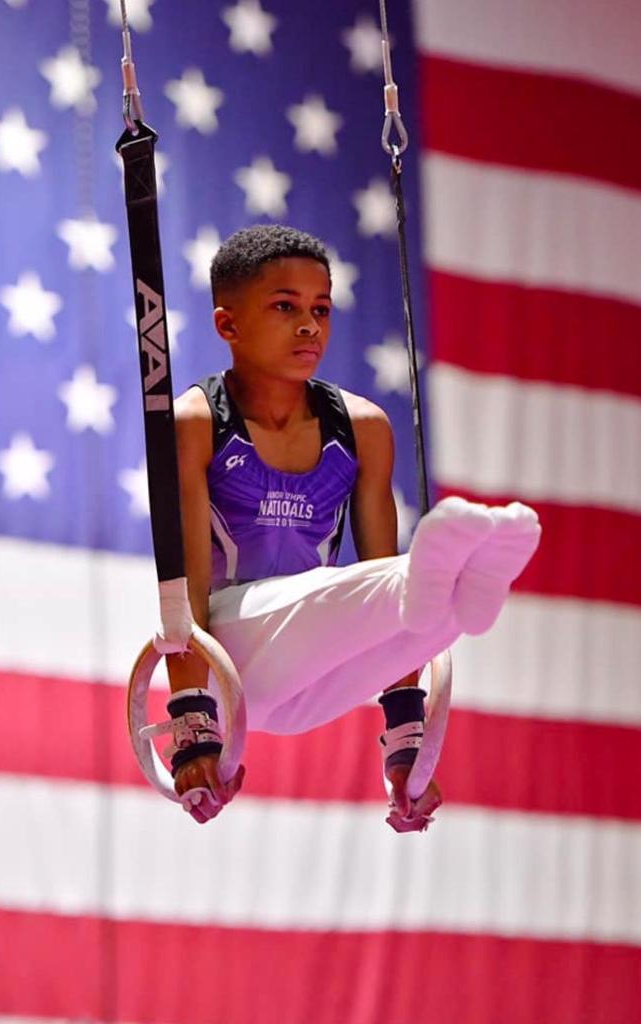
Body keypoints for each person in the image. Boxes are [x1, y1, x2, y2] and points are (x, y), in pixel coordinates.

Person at [164, 224, 541, 829]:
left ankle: (461, 599)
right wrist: (193, 726)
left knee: (410, 607)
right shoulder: (196, 423)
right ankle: (446, 581)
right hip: (232, 656)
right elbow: (185, 591)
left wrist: (407, 747)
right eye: (285, 307)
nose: (309, 326)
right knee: (378, 586)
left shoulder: (362, 428)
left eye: (320, 309)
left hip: (316, 671)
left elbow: (374, 581)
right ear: (228, 325)